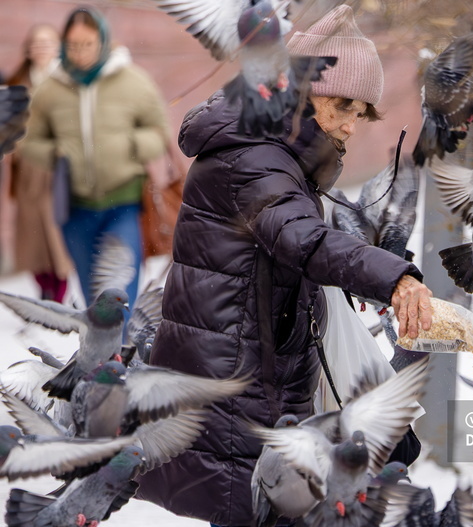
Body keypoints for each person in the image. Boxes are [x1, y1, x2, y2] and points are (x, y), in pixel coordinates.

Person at [136, 6, 433, 527]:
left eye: (359, 112)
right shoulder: (255, 156)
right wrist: (395, 278)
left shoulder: (272, 150)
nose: (348, 123)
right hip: (238, 380)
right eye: (340, 104)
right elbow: (301, 238)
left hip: (252, 370)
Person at [17, 6, 170, 310]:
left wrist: (131, 145)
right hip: (75, 208)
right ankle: (102, 357)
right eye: (73, 45)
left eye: (87, 44)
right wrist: (55, 153)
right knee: (92, 297)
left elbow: (159, 129)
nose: (80, 52)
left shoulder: (133, 81)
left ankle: (120, 355)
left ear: (102, 41)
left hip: (123, 203)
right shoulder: (50, 89)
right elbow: (27, 141)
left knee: (117, 290)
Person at [6, 23, 72, 302]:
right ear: (29, 50)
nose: (42, 48)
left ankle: (58, 294)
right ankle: (43, 289)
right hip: (26, 173)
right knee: (31, 235)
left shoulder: (68, 80)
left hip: (57, 171)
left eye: (48, 42)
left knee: (56, 235)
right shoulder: (18, 83)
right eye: (37, 43)